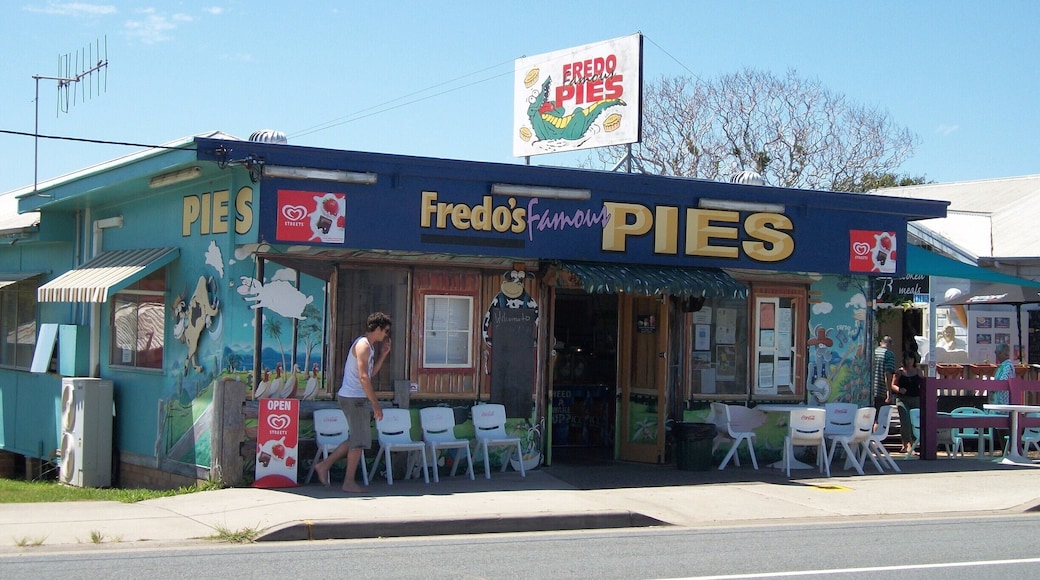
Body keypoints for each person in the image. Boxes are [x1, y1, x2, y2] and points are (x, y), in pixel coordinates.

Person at [314, 312, 392, 492]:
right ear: (378, 328)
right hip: (353, 398)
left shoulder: (369, 347)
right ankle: (348, 481)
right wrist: (375, 403)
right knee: (359, 441)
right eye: (385, 330)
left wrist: (383, 356)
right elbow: (364, 378)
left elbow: (369, 374)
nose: (386, 334)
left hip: (354, 397)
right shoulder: (363, 345)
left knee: (357, 439)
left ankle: (324, 466)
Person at [891, 351, 922, 454]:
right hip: (902, 399)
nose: (909, 361)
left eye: (911, 359)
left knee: (914, 422)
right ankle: (906, 444)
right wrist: (899, 389)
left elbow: (923, 384)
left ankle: (912, 444)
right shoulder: (899, 372)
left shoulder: (918, 371)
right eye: (907, 359)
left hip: (915, 398)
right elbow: (893, 385)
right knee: (905, 421)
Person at [872, 336, 896, 414]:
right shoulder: (890, 355)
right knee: (880, 416)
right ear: (891, 344)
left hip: (870, 389)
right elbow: (888, 374)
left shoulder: (873, 352)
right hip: (881, 391)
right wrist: (889, 391)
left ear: (881, 343)